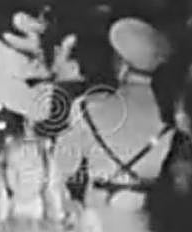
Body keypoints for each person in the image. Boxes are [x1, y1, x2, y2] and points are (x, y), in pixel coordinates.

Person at [53, 18, 174, 232]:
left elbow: (60, 168)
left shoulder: (88, 107)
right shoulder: (173, 116)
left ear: (121, 65)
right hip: (148, 220)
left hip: (96, 219)